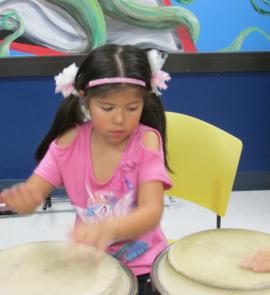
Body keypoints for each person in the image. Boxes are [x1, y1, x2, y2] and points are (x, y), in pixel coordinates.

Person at [0, 44, 172, 294]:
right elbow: (34, 192)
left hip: (143, 269)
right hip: (91, 266)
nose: (120, 119)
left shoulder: (146, 142)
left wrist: (107, 229)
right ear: (85, 99)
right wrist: (24, 200)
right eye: (107, 108)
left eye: (132, 108)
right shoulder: (68, 143)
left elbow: (151, 210)